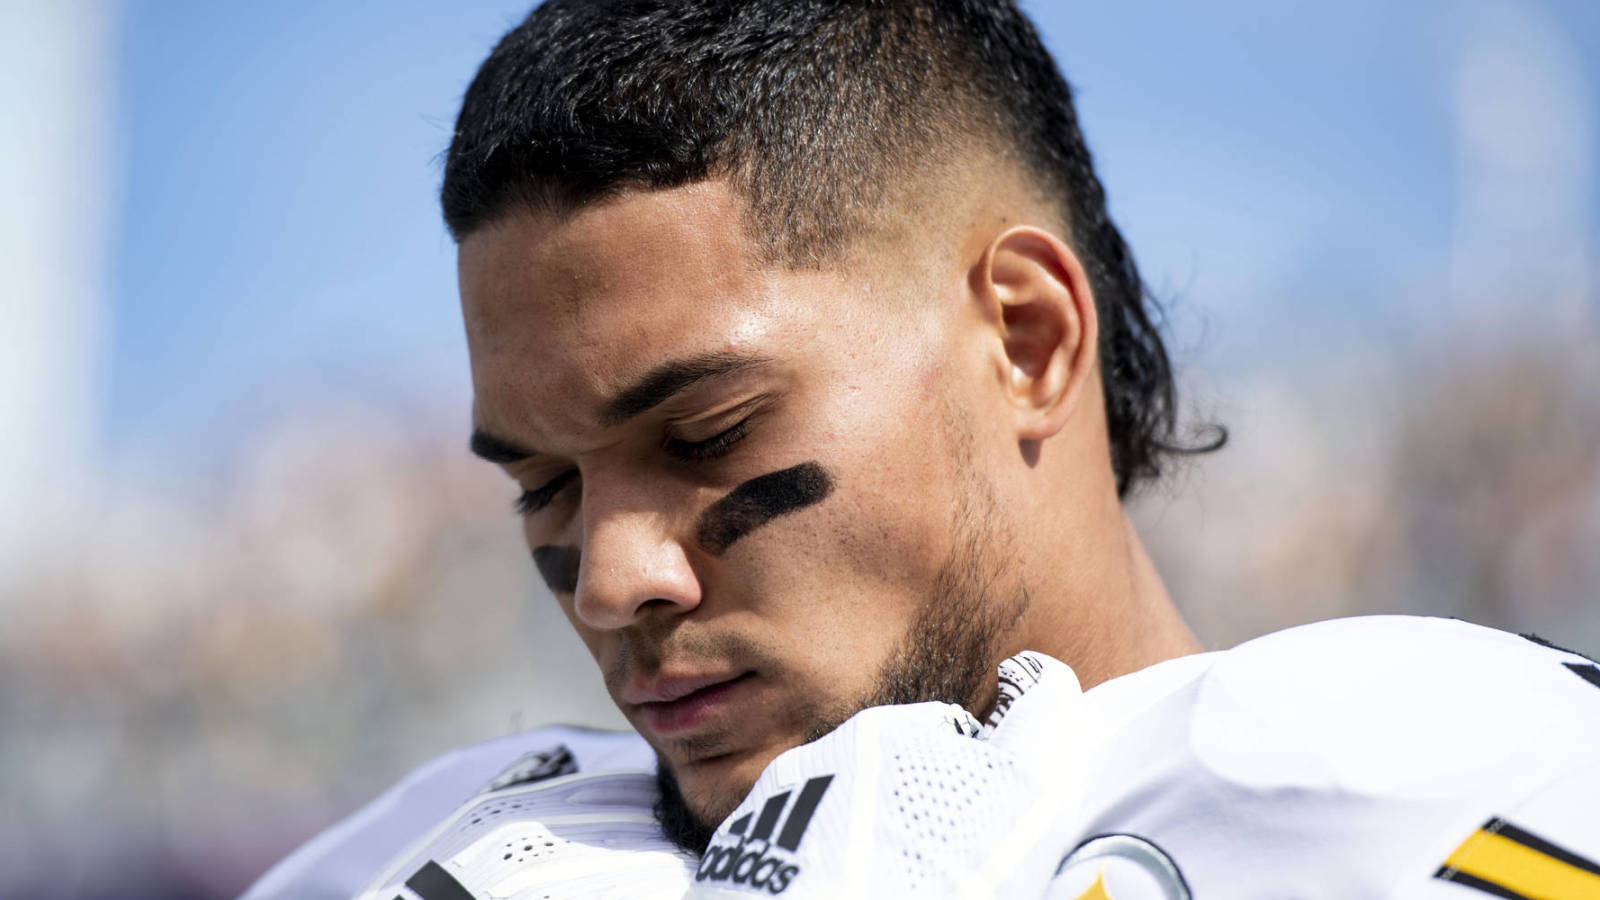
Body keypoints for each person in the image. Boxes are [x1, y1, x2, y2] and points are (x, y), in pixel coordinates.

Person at [241, 1, 1600, 898]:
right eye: (543, 484)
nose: (610, 581)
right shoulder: (459, 840)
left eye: (707, 431)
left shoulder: (1420, 783)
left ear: (1026, 340)